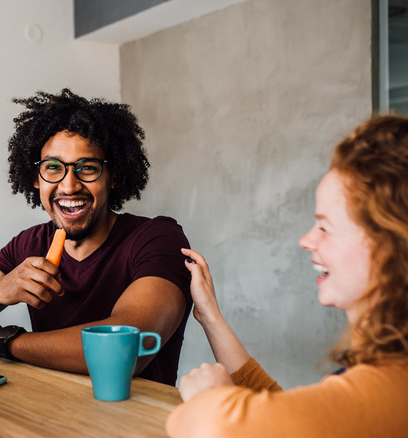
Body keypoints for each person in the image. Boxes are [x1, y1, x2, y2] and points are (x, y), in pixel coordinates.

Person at [166, 115, 408, 437]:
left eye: (325, 227)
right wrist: (209, 315)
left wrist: (210, 400)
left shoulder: (389, 387)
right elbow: (291, 416)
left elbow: (209, 427)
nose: (306, 240)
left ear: (390, 246)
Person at [0, 89, 192, 385]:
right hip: (49, 407)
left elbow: (121, 352)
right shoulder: (29, 244)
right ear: (36, 179)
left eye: (87, 168)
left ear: (114, 176)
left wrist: (3, 341)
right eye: (53, 168)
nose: (69, 186)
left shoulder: (157, 239)